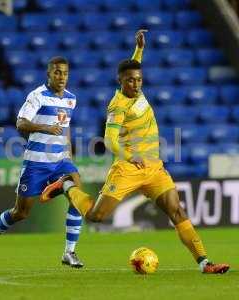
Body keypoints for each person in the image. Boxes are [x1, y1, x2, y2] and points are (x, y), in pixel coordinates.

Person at [40, 30, 230, 274]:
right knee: (96, 216)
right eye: (130, 80)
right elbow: (109, 140)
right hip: (129, 168)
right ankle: (67, 186)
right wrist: (131, 157)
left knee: (177, 211)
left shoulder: (138, 90)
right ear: (120, 80)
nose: (136, 84)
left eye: (139, 80)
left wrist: (139, 48)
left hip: (153, 168)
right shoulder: (118, 105)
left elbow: (134, 66)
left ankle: (205, 263)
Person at [0, 56, 86, 268]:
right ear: (49, 74)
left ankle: (69, 252)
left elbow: (66, 130)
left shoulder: (71, 99)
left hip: (60, 161)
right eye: (57, 72)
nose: (61, 77)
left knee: (78, 197)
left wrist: (69, 158)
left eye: (64, 73)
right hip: (36, 163)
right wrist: (46, 128)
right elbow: (20, 123)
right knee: (21, 212)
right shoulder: (37, 96)